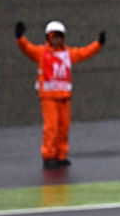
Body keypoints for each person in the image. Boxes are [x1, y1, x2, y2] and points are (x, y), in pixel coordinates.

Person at [15, 20, 106, 169]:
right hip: (49, 97)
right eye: (54, 36)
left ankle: (61, 155)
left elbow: (85, 52)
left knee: (64, 127)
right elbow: (27, 48)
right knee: (51, 128)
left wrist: (98, 44)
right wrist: (20, 37)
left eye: (59, 36)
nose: (57, 39)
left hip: (64, 97)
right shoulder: (41, 53)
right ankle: (49, 156)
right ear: (48, 38)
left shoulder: (68, 53)